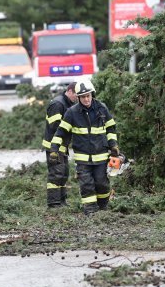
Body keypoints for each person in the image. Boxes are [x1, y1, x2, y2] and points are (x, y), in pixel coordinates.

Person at [49, 79, 120, 215]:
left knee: (101, 183)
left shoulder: (101, 108)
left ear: (92, 94)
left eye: (88, 96)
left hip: (101, 156)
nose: (86, 99)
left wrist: (114, 146)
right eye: (83, 97)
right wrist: (54, 149)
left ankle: (103, 208)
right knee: (86, 185)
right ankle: (90, 211)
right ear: (78, 97)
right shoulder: (72, 112)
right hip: (82, 158)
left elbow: (111, 128)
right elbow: (61, 132)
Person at [42, 82, 78, 208]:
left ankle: (62, 201)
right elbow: (55, 126)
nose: (77, 99)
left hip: (62, 146)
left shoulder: (67, 104)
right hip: (54, 146)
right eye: (76, 95)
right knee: (56, 174)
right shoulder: (58, 104)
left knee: (63, 173)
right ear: (69, 91)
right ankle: (53, 203)